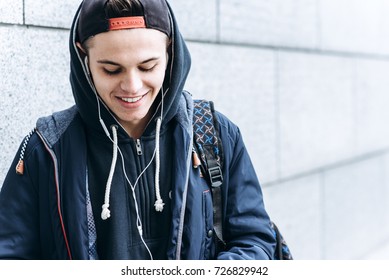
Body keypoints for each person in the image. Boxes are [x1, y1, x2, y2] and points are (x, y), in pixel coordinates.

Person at [0, 0, 276, 260]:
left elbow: (255, 241)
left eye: (148, 66)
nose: (132, 86)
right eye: (111, 70)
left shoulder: (215, 134)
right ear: (83, 57)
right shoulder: (47, 149)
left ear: (171, 53)